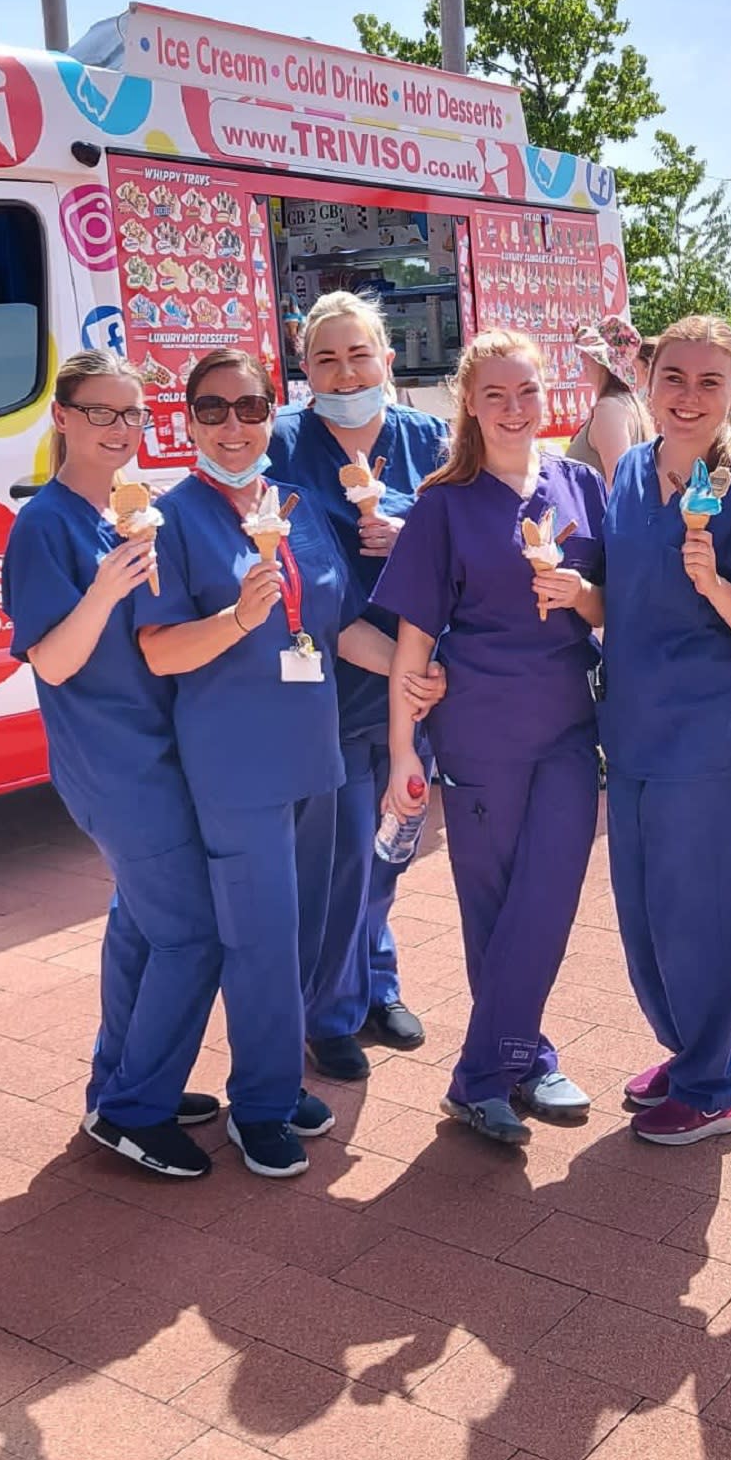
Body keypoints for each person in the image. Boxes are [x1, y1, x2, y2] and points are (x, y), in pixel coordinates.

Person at [137, 348, 441, 1179]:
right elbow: (160, 650)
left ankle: (273, 1078)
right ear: (188, 418)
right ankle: (261, 1105)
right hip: (237, 765)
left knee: (302, 930)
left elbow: (338, 627)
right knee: (263, 939)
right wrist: (237, 620)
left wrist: (412, 669)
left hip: (314, 754)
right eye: (212, 409)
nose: (232, 426)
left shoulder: (296, 505)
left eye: (248, 407)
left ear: (273, 411)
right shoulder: (176, 517)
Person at [0, 350, 222, 1181]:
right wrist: (104, 587)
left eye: (133, 415)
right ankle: (134, 1113)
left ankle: (121, 1084)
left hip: (156, 750)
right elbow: (52, 664)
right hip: (114, 761)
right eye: (103, 414)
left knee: (139, 926)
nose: (122, 431)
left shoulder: (129, 511)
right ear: (61, 417)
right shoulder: (47, 524)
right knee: (192, 933)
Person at [378, 329, 602, 1145]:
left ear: (549, 397)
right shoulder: (445, 502)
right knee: (495, 902)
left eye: (528, 392)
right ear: (469, 403)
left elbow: (609, 606)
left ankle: (484, 1073)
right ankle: (523, 1059)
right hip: (478, 727)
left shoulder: (581, 486)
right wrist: (405, 748)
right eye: (495, 395)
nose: (514, 410)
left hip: (571, 724)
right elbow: (412, 634)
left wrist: (580, 593)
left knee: (550, 893)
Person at [603, 315, 731, 1145]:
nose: (688, 396)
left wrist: (715, 586)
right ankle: (689, 1051)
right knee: (642, 912)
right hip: (633, 731)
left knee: (698, 914)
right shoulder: (631, 475)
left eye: (709, 382)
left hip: (703, 743)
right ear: (647, 382)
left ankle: (720, 1083)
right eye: (673, 377)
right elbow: (619, 597)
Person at [268, 291, 448, 1081]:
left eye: (359, 354)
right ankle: (328, 1011)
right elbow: (291, 567)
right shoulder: (281, 442)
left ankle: (376, 981)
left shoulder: (427, 439)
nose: (345, 371)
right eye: (326, 357)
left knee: (391, 846)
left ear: (387, 357)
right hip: (331, 685)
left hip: (417, 690)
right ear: (304, 369)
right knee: (338, 854)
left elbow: (464, 538)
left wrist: (407, 527)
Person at [567, 315, 652, 488]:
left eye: (589, 352)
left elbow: (620, 486)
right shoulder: (628, 403)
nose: (582, 357)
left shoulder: (609, 408)